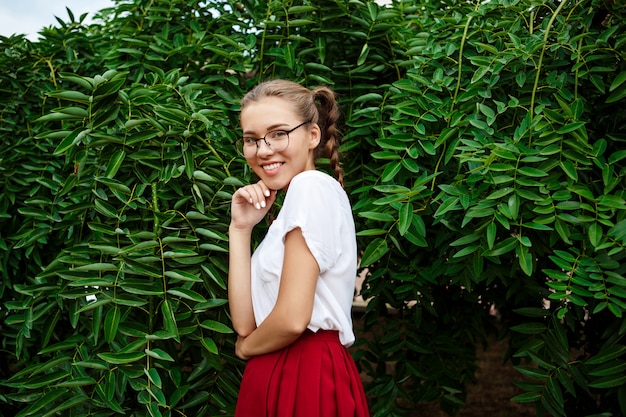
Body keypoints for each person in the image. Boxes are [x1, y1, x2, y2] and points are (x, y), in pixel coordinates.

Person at [228, 79, 370, 417]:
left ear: (312, 136)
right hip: (281, 368)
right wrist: (240, 229)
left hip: (304, 371)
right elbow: (247, 324)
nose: (263, 150)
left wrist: (247, 349)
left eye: (278, 133)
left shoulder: (311, 187)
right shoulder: (296, 204)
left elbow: (291, 320)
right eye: (252, 139)